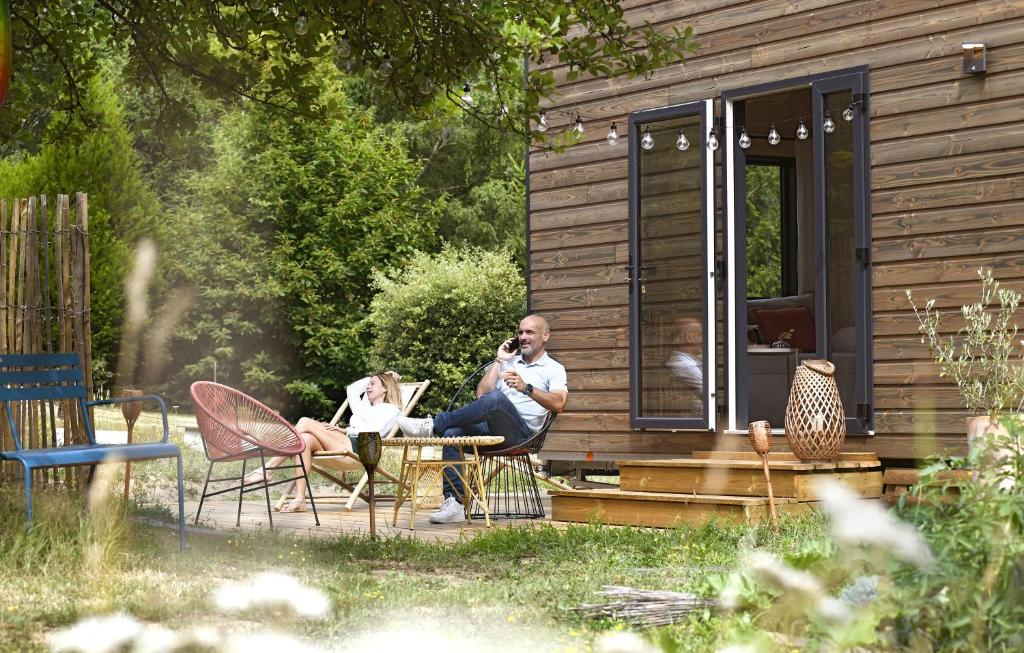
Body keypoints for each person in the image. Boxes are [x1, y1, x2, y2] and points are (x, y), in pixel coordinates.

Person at [397, 314, 568, 524]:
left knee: (496, 399)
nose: (523, 337)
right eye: (520, 332)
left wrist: (526, 388)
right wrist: (499, 361)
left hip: (522, 435)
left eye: (529, 332)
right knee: (452, 435)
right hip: (492, 429)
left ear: (545, 336)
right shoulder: (508, 362)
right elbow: (482, 394)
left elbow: (559, 404)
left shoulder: (554, 368)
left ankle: (433, 424)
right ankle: (455, 503)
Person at [245, 371, 404, 513]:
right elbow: (352, 390)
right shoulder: (363, 407)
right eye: (368, 384)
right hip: (344, 443)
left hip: (359, 448)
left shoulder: (391, 410)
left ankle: (269, 468)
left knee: (304, 422)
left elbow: (375, 432)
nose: (368, 387)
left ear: (385, 388)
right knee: (305, 440)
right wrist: (377, 377)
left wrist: (346, 430)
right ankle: (300, 499)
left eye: (373, 384)